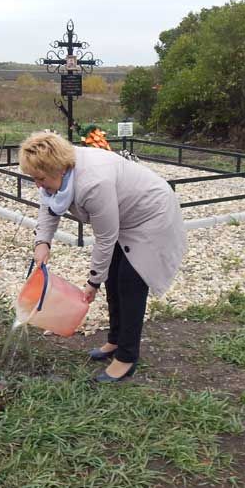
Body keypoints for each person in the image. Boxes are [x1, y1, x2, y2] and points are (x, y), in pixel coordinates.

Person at [19, 130, 186, 383]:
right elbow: (48, 203)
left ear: (59, 169)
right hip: (125, 217)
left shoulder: (93, 182)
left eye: (40, 178)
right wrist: (42, 242)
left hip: (151, 215)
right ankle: (116, 340)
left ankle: (127, 357)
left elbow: (106, 238)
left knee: (130, 282)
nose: (37, 184)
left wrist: (92, 281)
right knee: (114, 278)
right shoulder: (58, 176)